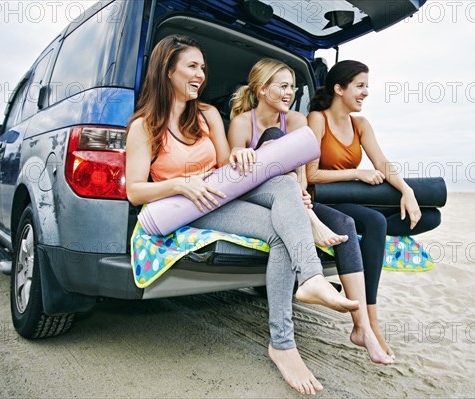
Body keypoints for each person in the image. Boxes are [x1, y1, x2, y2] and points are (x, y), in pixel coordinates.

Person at [125, 35, 359, 395]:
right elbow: (135, 191)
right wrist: (180, 185)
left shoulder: (206, 115)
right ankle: (284, 344)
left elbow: (223, 164)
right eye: (192, 66)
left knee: (283, 187)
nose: (201, 74)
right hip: (189, 207)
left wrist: (239, 156)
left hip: (222, 190)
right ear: (167, 70)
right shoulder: (143, 127)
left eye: (202, 68)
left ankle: (309, 280)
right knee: (281, 231)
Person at [228, 58, 394, 365]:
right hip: (255, 195)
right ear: (262, 90)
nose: (290, 92)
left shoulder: (297, 121)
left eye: (293, 86)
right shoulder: (241, 122)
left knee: (344, 225)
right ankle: (311, 220)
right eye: (283, 86)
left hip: (294, 196)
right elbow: (235, 176)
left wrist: (301, 195)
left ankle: (362, 327)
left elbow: (303, 173)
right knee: (275, 140)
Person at [307, 60, 442, 358]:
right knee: (375, 222)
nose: (366, 92)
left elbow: (381, 163)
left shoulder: (361, 125)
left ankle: (370, 239)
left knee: (430, 216)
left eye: (367, 85)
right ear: (339, 88)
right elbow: (311, 175)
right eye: (360, 85)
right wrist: (357, 173)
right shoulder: (318, 119)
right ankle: (370, 323)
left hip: (352, 200)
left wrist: (406, 191)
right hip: (324, 201)